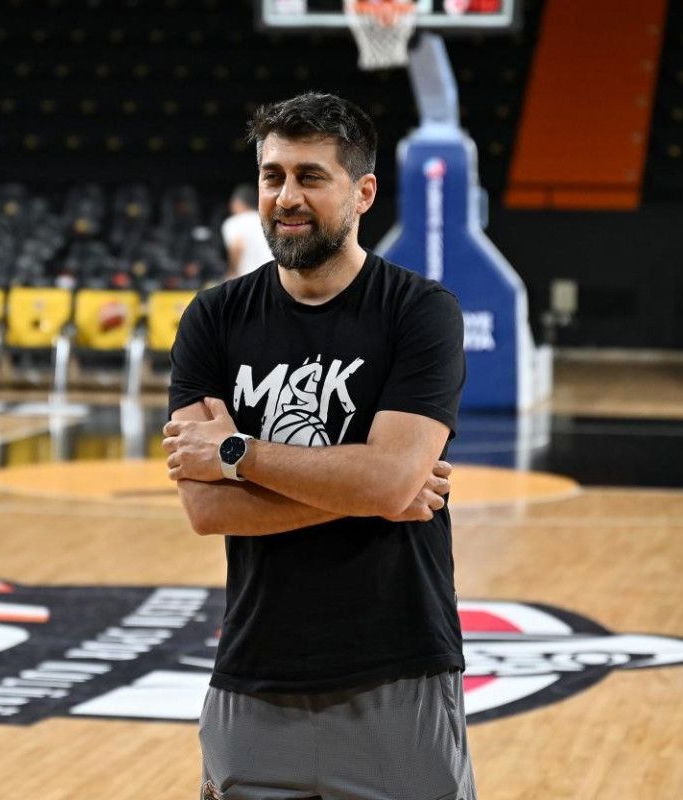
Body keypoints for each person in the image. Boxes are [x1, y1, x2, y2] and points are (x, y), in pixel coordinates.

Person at [163, 91, 476, 800]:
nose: (287, 197)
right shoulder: (213, 319)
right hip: (252, 676)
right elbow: (207, 511)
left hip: (397, 674)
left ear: (363, 192)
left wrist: (238, 455)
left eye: (311, 177)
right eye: (273, 176)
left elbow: (389, 480)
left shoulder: (419, 312)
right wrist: (375, 490)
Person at [221, 183, 274, 280]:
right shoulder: (267, 219)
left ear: (237, 203)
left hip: (249, 278)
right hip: (272, 275)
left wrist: (232, 272)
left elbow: (237, 247)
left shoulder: (234, 222)